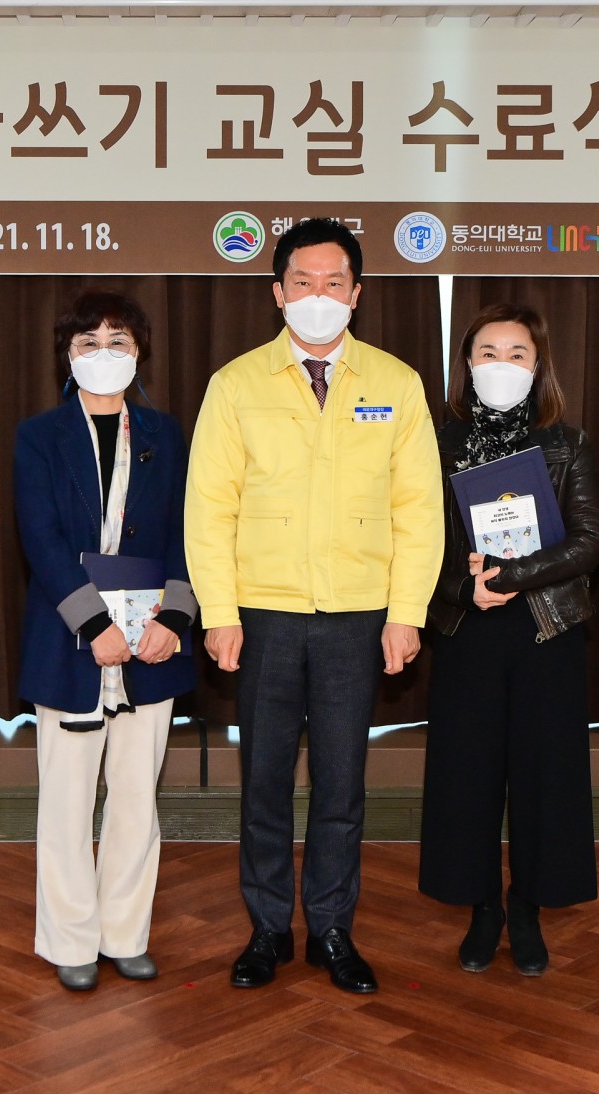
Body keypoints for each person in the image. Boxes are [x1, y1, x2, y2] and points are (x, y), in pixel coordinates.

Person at [186, 218, 444, 994]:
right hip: (262, 615)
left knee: (341, 784)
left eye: (335, 283)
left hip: (358, 617)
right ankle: (268, 928)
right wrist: (219, 612)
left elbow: (419, 509)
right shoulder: (236, 384)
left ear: (358, 294)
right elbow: (210, 508)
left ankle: (332, 927)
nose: (319, 296)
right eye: (303, 282)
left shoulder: (395, 383)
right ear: (278, 293)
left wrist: (406, 612)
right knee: (264, 782)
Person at [14, 291, 197, 991]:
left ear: (139, 351)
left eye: (117, 340)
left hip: (152, 643)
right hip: (70, 643)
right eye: (87, 342)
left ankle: (126, 933)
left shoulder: (165, 433)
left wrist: (173, 619)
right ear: (66, 355)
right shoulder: (38, 436)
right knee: (66, 801)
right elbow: (41, 539)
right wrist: (95, 625)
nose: (103, 353)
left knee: (136, 798)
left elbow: (190, 531)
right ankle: (70, 940)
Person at [419, 304, 599, 976]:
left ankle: (526, 906)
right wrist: (463, 588)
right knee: (465, 776)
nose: (502, 365)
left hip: (545, 630)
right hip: (466, 628)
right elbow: (413, 541)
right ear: (467, 365)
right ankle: (482, 908)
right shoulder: (433, 443)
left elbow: (589, 540)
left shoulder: (567, 443)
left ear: (538, 365)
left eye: (517, 354)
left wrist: (511, 575)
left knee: (545, 777)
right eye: (488, 353)